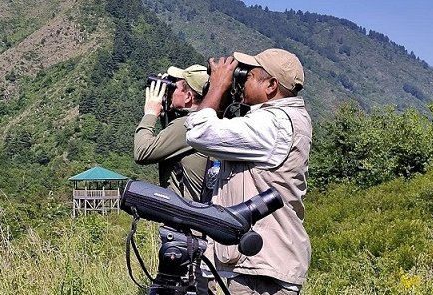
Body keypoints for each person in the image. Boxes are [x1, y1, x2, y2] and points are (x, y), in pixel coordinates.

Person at [185, 49, 312, 294]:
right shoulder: (278, 119)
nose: (241, 81)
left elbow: (199, 132)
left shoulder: (273, 123)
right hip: (253, 267)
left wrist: (218, 87)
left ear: (271, 85)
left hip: (257, 274)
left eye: (249, 76)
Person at [133, 64, 210, 202]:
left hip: (185, 216)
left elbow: (142, 152)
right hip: (198, 210)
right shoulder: (209, 119)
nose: (170, 90)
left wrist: (150, 113)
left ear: (188, 97)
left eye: (175, 86)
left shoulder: (188, 124)